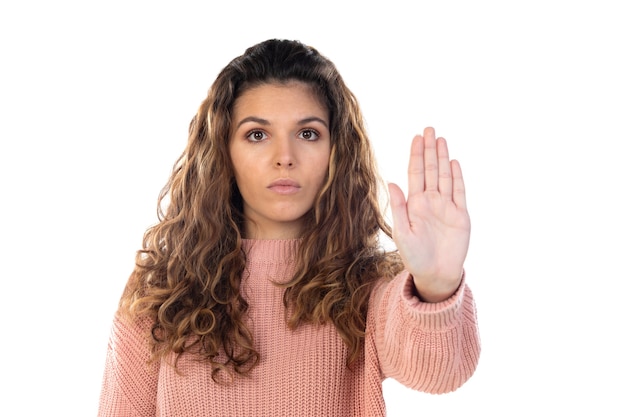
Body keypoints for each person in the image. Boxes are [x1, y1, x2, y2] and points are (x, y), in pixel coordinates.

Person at [97, 38, 480, 416]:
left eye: (308, 133)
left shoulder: (368, 289)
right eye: (257, 135)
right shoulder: (161, 290)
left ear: (336, 152)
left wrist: (435, 286)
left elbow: (440, 372)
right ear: (223, 152)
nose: (284, 157)